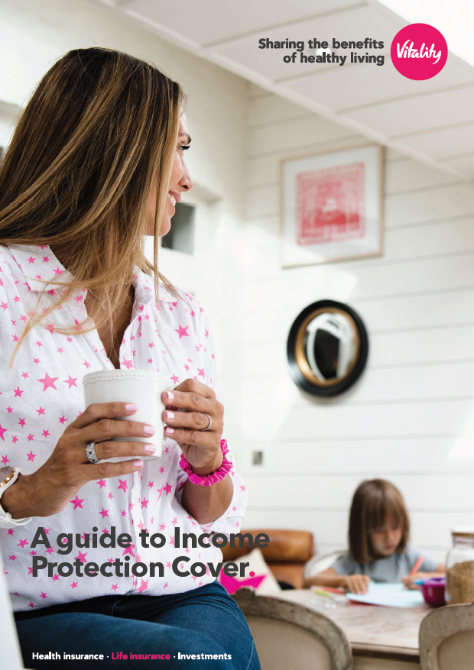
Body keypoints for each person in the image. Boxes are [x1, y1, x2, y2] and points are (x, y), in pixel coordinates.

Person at [0, 48, 260, 669]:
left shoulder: (182, 313)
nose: (186, 177)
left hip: (186, 593)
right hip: (41, 607)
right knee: (193, 659)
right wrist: (34, 489)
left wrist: (207, 460)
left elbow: (212, 517)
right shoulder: (6, 286)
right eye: (176, 149)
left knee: (206, 652)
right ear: (113, 152)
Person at [303, 479, 445, 594]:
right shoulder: (353, 561)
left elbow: (454, 575)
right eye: (378, 530)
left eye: (396, 527)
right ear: (361, 530)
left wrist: (427, 578)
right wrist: (344, 580)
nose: (389, 538)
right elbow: (308, 582)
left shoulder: (409, 555)